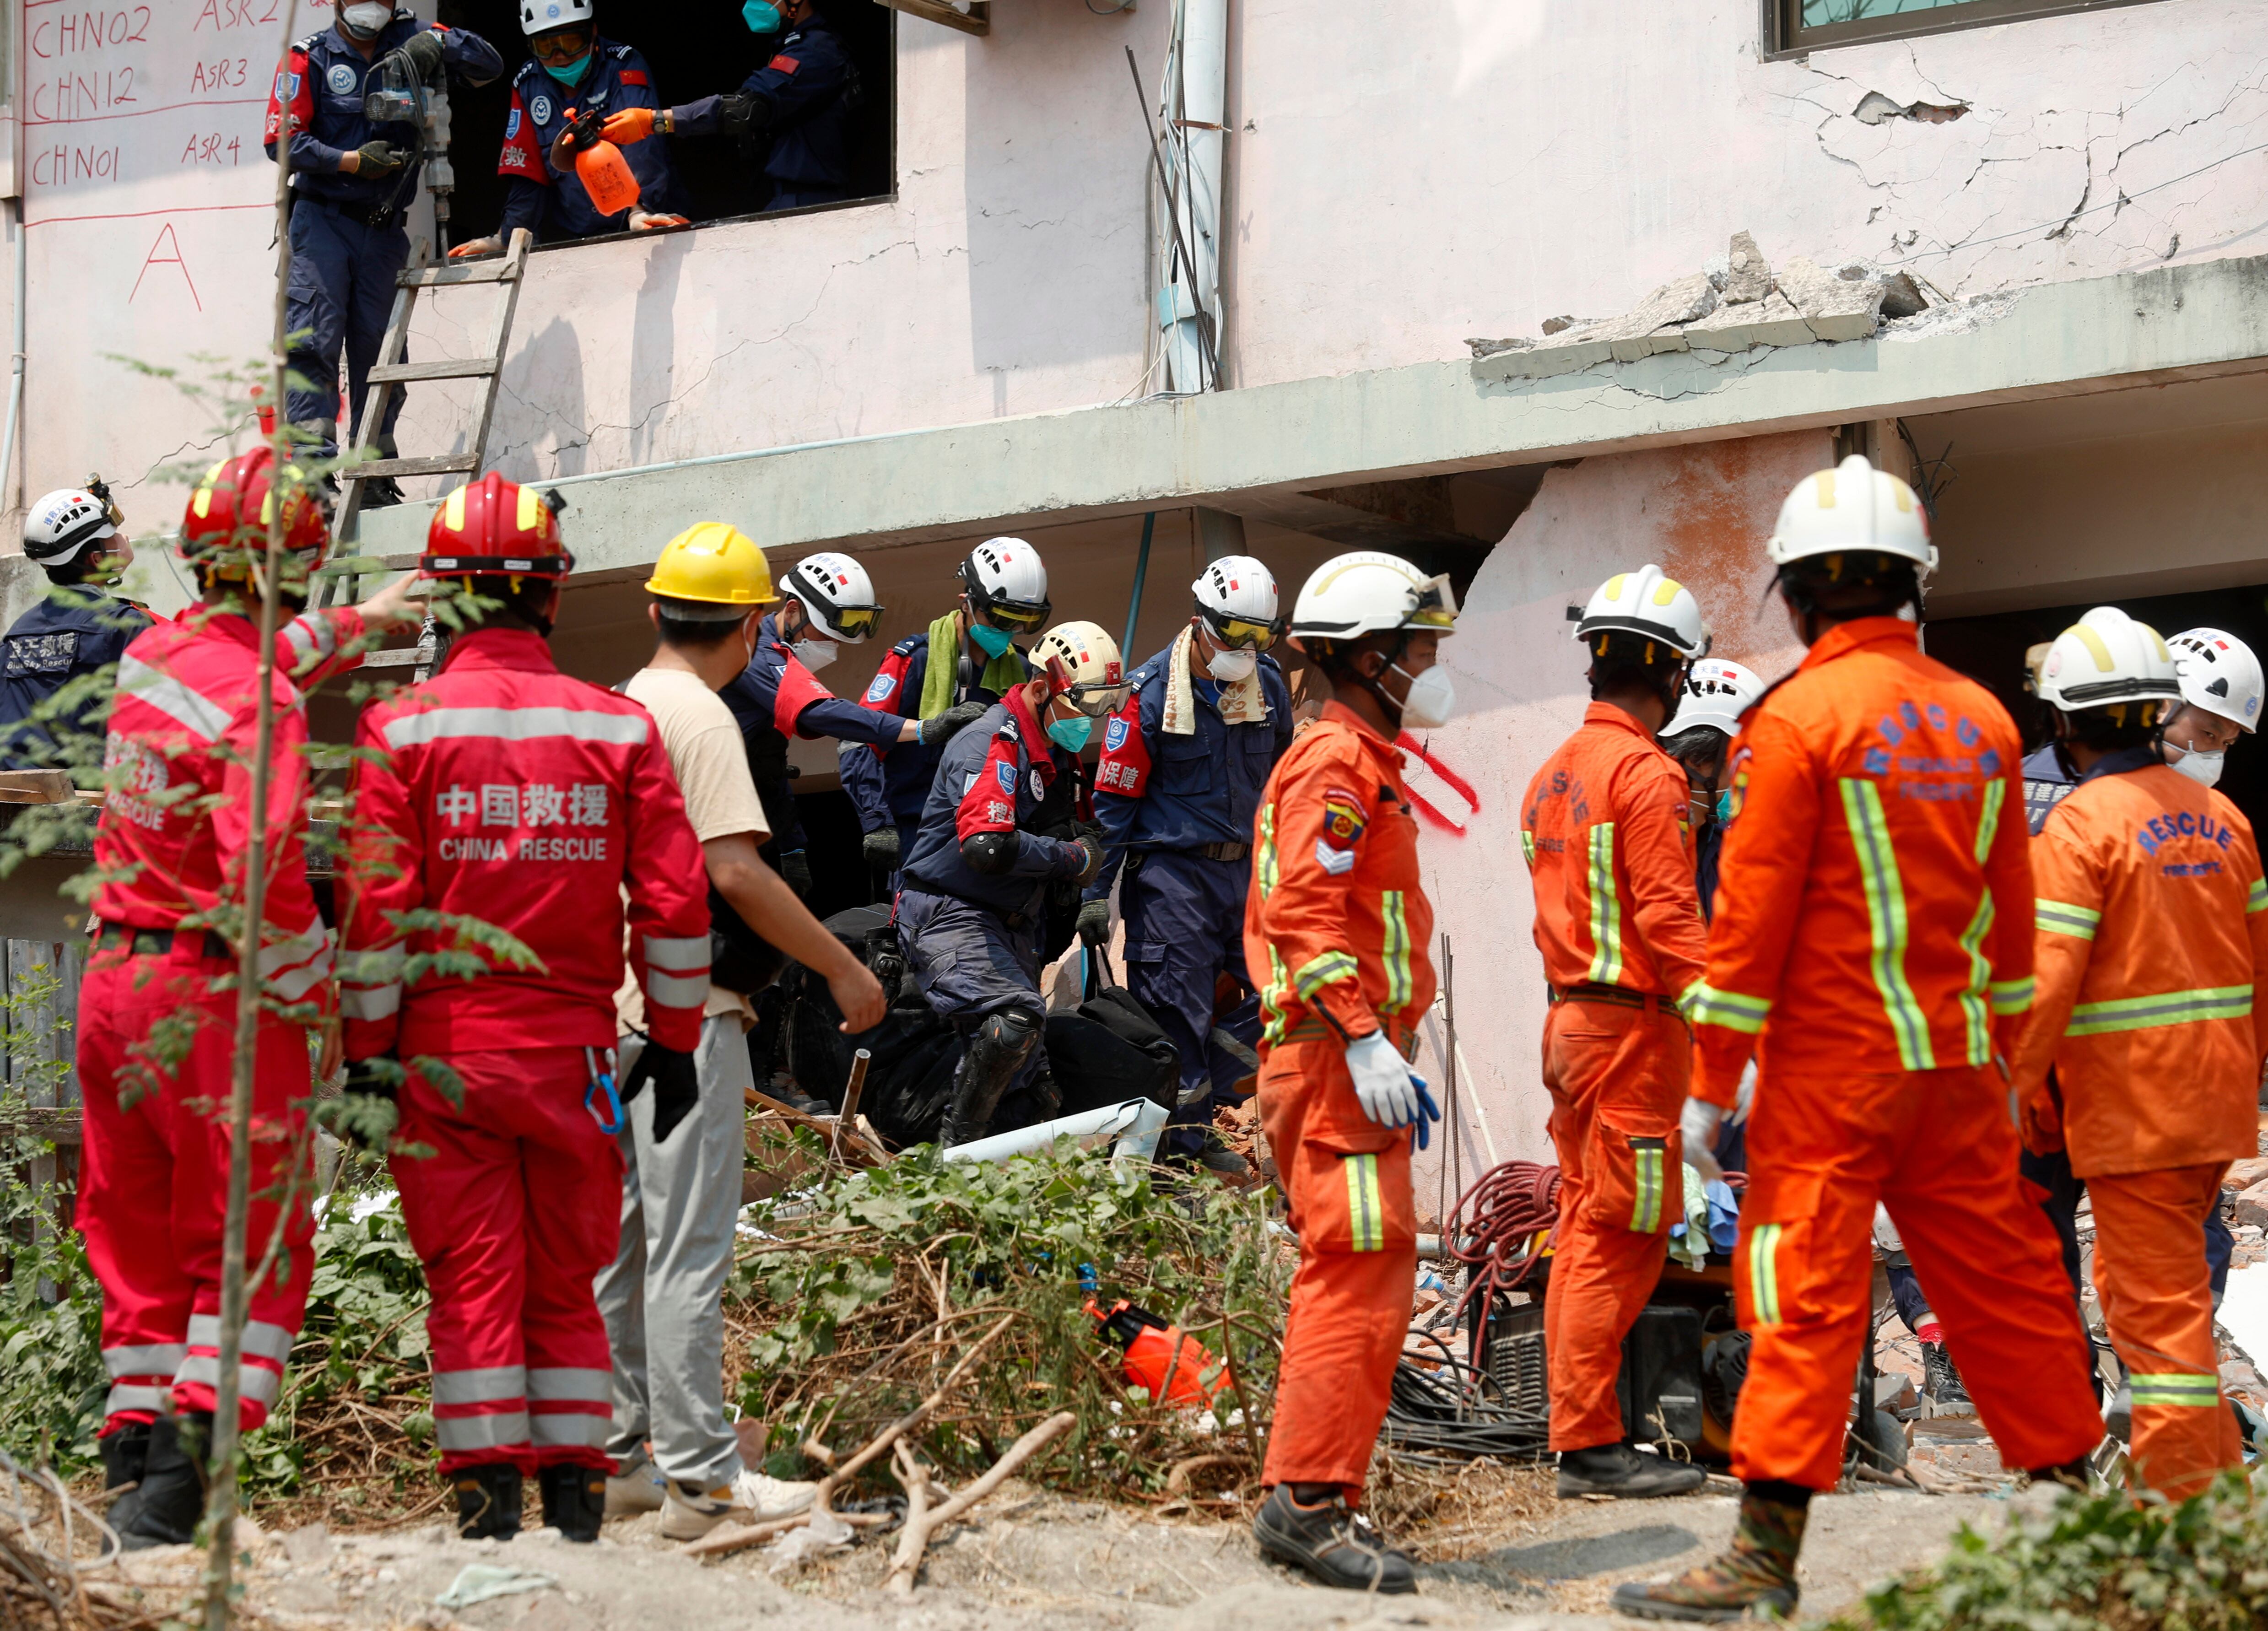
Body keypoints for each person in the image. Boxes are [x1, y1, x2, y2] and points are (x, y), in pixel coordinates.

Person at [1618, 457, 2102, 1622]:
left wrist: (1707, 1089)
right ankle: (2082, 1515)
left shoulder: (1796, 723)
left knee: (1804, 1295)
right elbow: (2013, 923)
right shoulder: (1981, 718)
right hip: (1957, 1071)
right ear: (1914, 587)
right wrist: (2012, 1077)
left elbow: (1750, 927)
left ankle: (1764, 1559)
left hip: (1832, 1076)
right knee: (2010, 1284)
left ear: (1795, 597)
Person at [335, 473, 710, 1544]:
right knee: (568, 1279)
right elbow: (677, 906)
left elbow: (376, 915)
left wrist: (368, 1054)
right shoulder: (620, 728)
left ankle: (489, 1509)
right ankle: (578, 1504)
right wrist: (674, 1047)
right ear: (551, 597)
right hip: (575, 1058)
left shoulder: (398, 731)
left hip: (444, 1061)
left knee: (471, 1283)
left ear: (442, 602)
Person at [79, 448, 418, 1548]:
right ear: (301, 564)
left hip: (115, 983)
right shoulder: (260, 699)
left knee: (134, 1237)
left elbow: (256, 662)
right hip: (212, 998)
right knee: (252, 1243)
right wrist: (318, 990)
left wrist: (362, 622)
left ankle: (132, 1470)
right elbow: (263, 870)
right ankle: (176, 1499)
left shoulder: (154, 657)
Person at [595, 524, 886, 1539]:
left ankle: (622, 1460)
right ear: (758, 622)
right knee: (688, 1251)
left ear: (653, 609)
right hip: (686, 1018)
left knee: (621, 1248)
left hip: (612, 1016)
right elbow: (737, 871)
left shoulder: (622, 705)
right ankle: (704, 1485)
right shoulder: (704, 721)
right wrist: (842, 966)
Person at [2009, 608, 2268, 1500]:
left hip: (2136, 1118)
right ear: (2159, 712)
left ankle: (2191, 1519)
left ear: (2066, 724)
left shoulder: (2082, 827)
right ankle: (2217, 1490)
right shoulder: (2228, 820)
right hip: (2214, 1110)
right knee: (2179, 1309)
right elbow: (2259, 982)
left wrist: (2012, 1096)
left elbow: (2044, 988)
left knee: (2153, 1325)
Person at [1243, 551, 1453, 1594]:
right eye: (1420, 647)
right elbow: (1304, 913)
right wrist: (1366, 1035)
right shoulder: (1333, 766)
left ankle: (1326, 1492)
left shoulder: (1360, 763)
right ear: (1372, 658)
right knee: (1358, 1268)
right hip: (1335, 1060)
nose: (1432, 664)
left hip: (1348, 1057)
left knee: (1375, 1267)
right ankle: (1307, 1503)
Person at [1521, 565, 1713, 1501]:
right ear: (1673, 674)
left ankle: (1578, 1432)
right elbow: (1671, 922)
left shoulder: (1552, 773)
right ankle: (1589, 1441)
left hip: (1570, 1020)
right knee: (1624, 1233)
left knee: (1582, 1220)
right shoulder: (1648, 774)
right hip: (1633, 1029)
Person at [1081, 557, 1292, 1176]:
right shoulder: (1149, 695)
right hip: (1176, 879)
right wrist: (1098, 893)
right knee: (1177, 1014)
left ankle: (1204, 1118)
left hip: (1246, 874)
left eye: (1262, 636)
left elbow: (1282, 782)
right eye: (1237, 635)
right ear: (1201, 621)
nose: (1248, 650)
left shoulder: (1270, 685)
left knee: (1276, 994)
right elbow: (1115, 803)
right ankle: (1181, 1155)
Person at [896, 621, 1124, 1147]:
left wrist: (1081, 848)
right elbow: (987, 847)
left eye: (1105, 706)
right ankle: (956, 1151)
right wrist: (1071, 858)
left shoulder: (1053, 752)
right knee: (1014, 1020)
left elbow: (1082, 830)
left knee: (1034, 1093)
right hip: (952, 913)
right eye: (1085, 706)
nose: (1093, 721)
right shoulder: (991, 743)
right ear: (1042, 688)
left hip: (1013, 925)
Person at [264, 6, 503, 492]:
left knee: (382, 354)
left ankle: (374, 469)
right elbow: (281, 141)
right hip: (324, 222)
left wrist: (438, 43)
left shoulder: (412, 39)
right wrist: (351, 162)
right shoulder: (307, 59)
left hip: (384, 228)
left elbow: (490, 65)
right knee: (314, 343)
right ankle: (313, 471)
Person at [719, 549, 983, 898]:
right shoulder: (753, 650)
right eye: (828, 634)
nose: (832, 646)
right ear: (794, 610)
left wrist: (792, 847)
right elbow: (824, 713)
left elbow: (768, 766)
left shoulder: (774, 662)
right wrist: (921, 729)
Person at [842, 539, 1050, 881]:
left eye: (1023, 622)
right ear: (966, 602)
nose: (1008, 632)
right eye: (1000, 618)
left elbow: (1042, 756)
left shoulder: (1025, 673)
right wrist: (876, 823)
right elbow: (858, 738)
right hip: (919, 832)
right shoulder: (917, 661)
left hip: (996, 833)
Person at [451, 1, 683, 258]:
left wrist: (641, 211)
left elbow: (643, 146)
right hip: (585, 238)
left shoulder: (624, 63)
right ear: (531, 46)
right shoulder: (528, 84)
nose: (559, 55)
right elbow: (528, 171)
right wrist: (506, 239)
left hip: (655, 224)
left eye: (571, 42)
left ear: (592, 32)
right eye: (546, 47)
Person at [600, 0, 862, 213]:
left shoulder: (816, 51)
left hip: (809, 204)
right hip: (784, 199)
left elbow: (745, 110)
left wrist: (656, 121)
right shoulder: (791, 46)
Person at [0, 481, 152, 772]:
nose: (122, 539)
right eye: (112, 535)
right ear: (97, 560)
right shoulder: (125, 626)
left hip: (15, 806)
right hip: (91, 808)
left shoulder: (16, 633)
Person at [1655, 657, 1763, 925]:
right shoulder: (1652, 848)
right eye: (1734, 762)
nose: (1743, 775)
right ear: (1694, 762)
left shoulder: (1725, 847)